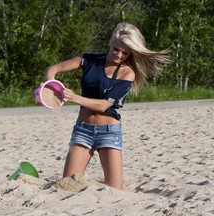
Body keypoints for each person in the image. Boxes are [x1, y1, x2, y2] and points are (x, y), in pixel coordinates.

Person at [44, 22, 170, 189]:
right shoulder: (89, 59)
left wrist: (74, 97)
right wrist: (50, 88)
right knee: (67, 184)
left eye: (125, 53)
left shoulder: (127, 73)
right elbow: (52, 69)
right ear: (110, 43)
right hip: (83, 129)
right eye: (116, 49)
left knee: (115, 189)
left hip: (109, 133)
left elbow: (104, 105)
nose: (119, 55)